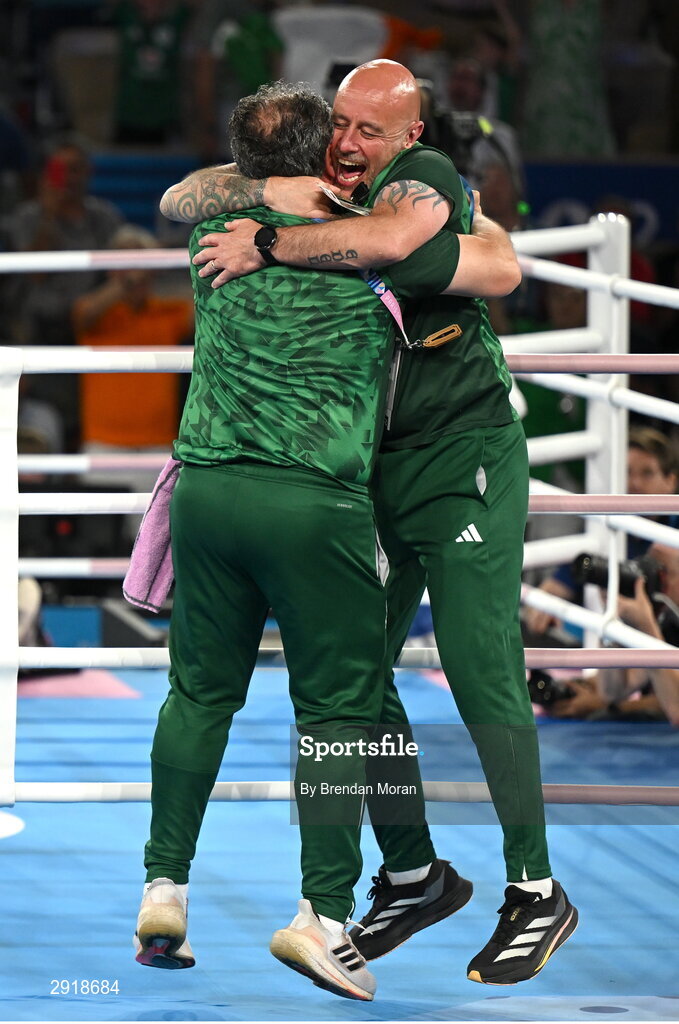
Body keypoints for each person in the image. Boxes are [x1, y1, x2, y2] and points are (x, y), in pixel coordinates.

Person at [159, 59, 577, 987]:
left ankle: (534, 887)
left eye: (370, 132)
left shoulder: (417, 189)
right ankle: (416, 872)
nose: (350, 144)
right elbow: (182, 194)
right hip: (368, 472)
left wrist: (270, 241)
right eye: (339, 124)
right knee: (356, 680)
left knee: (475, 663)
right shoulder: (306, 196)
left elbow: (483, 264)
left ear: (408, 141)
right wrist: (264, 197)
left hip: (458, 460)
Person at [525, 427, 679, 636]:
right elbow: (554, 589)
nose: (634, 483)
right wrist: (544, 607)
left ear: (670, 481)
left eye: (647, 473)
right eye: (627, 472)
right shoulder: (602, 526)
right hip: (614, 648)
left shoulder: (673, 536)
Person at [544, 542, 679, 727]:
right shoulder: (665, 620)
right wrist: (614, 623)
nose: (650, 575)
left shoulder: (656, 624)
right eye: (647, 563)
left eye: (662, 571)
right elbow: (613, 690)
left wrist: (647, 628)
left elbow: (676, 709)